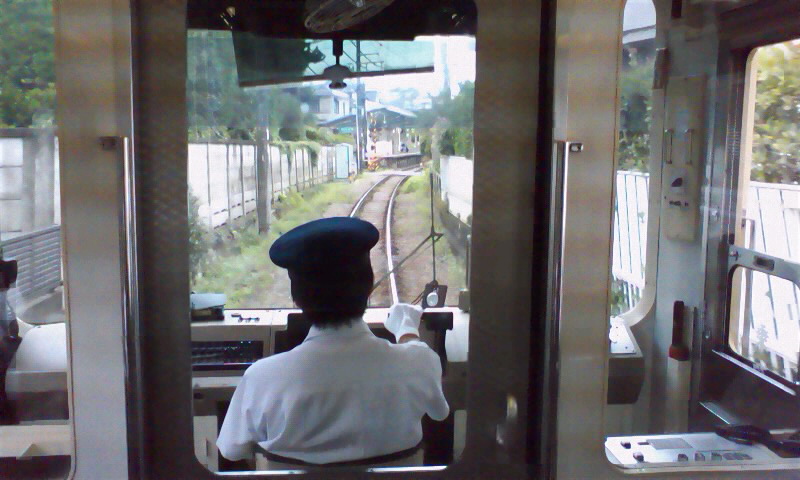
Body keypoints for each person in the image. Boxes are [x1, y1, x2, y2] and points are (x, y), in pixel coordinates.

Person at [216, 217, 449, 465]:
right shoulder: (418, 362)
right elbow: (439, 412)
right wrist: (407, 331)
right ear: (368, 286)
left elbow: (231, 451)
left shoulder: (261, 378)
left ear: (297, 296)